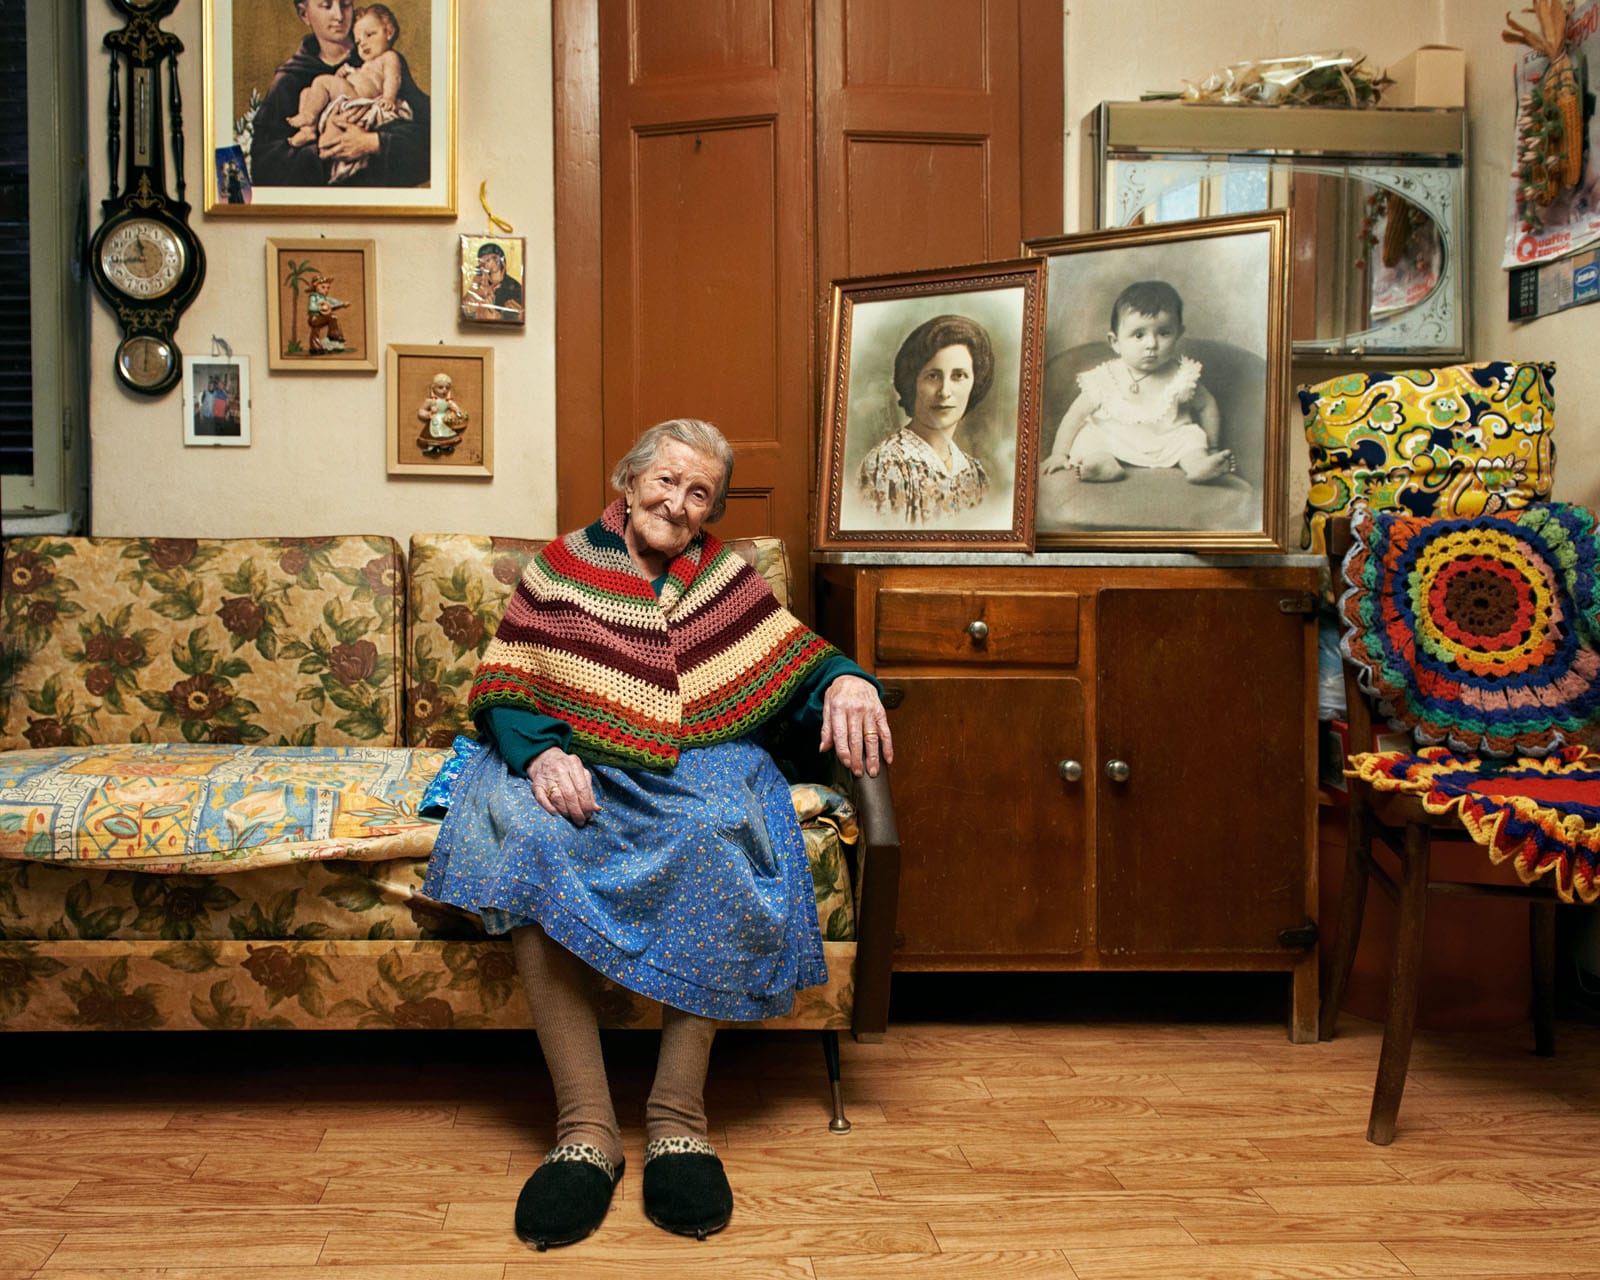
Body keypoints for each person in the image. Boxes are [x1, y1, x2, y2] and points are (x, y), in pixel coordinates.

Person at [419, 418, 893, 1249]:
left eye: (699, 492)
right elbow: (505, 686)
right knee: (523, 838)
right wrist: (537, 756)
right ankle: (586, 1131)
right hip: (574, 757)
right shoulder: (560, 566)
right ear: (630, 480)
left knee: (718, 834)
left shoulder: (725, 580)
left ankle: (678, 1116)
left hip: (696, 762)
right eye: (666, 481)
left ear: (711, 509)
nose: (678, 503)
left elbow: (795, 665)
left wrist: (850, 679)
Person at [1041, 280, 1235, 485]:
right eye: (1139, 335)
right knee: (1091, 437)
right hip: (1114, 439)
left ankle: (1199, 465)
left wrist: (1213, 447)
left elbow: (1207, 405)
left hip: (1168, 440)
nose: (1151, 344)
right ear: (1115, 342)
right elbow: (1075, 416)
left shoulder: (1182, 376)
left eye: (1163, 333)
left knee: (1191, 439)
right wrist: (1058, 454)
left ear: (1178, 333)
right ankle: (1103, 465)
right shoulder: (1105, 377)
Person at [248, 0, 430, 189]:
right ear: (304, 14)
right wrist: (322, 151)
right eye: (326, 6)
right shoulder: (290, 78)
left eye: (345, 4)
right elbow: (263, 168)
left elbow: (431, 137)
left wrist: (373, 142)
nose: (339, 16)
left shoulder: (380, 58)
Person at [855, 314, 993, 524]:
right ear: (913, 382)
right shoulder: (887, 465)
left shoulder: (974, 473)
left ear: (976, 381)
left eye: (959, 376)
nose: (945, 391)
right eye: (933, 376)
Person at [286, 5, 407, 152]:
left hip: (357, 97)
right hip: (348, 96)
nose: (363, 44)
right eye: (358, 41)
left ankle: (309, 116)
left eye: (369, 35)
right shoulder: (366, 64)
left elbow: (392, 78)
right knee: (306, 93)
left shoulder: (389, 57)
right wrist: (346, 73)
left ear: (388, 32)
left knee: (321, 81)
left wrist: (389, 97)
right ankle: (308, 130)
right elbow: (364, 76)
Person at [462, 241, 525, 322]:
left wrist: (499, 317)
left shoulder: (515, 288)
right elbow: (466, 308)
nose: (483, 267)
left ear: (500, 262)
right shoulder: (479, 284)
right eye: (481, 264)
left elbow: (517, 316)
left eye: (488, 260)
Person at [416, 372, 465, 455]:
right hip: (434, 420)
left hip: (444, 421)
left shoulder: (448, 402)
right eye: (440, 387)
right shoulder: (430, 401)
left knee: (445, 433)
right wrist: (428, 413)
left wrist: (457, 412)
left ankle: (445, 446)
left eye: (447, 388)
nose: (444, 390)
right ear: (433, 388)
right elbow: (421, 410)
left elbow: (457, 409)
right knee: (433, 434)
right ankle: (432, 448)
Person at [306, 275, 349, 354]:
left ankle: (327, 342)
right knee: (329, 319)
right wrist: (321, 308)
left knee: (331, 318)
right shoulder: (313, 296)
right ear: (316, 287)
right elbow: (311, 308)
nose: (326, 290)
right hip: (314, 318)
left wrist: (343, 303)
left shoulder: (325, 298)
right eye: (323, 287)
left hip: (321, 317)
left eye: (328, 288)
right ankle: (328, 339)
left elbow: (334, 301)